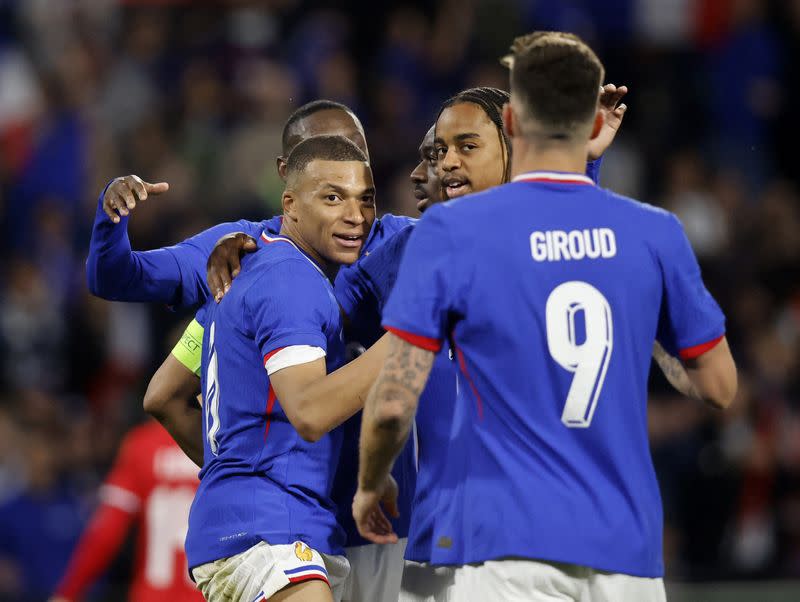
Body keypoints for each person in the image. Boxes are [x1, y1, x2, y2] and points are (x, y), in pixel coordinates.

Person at [354, 30, 737, 602]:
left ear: (511, 124)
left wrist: (369, 483)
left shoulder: (452, 235)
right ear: (588, 125)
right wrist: (637, 315)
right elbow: (719, 387)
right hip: (627, 555)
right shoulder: (653, 234)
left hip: (504, 550)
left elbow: (390, 405)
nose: (443, 164)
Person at [338, 84, 626, 600]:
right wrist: (256, 240)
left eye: (464, 148)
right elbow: (314, 288)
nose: (442, 165)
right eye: (434, 153)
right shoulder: (401, 251)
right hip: (435, 549)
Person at [186, 135, 385, 602]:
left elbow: (162, 393)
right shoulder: (291, 280)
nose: (354, 215)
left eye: (366, 199)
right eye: (333, 197)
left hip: (246, 525)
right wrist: (412, 337)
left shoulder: (255, 268)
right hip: (269, 533)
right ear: (290, 204)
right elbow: (310, 412)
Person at [50, 420, 202, 602]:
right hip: (213, 594)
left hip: (153, 595)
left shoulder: (144, 444)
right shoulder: (226, 443)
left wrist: (68, 592)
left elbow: (107, 531)